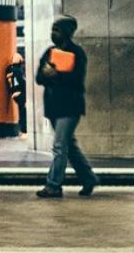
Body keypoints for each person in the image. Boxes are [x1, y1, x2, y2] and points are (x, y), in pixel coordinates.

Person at [35, 15, 98, 199]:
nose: (53, 33)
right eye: (52, 29)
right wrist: (48, 74)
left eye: (57, 30)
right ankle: (88, 179)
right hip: (54, 107)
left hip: (70, 107)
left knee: (59, 146)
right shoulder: (49, 53)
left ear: (67, 32)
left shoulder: (77, 53)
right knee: (69, 146)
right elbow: (39, 78)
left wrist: (56, 75)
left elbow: (77, 80)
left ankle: (53, 185)